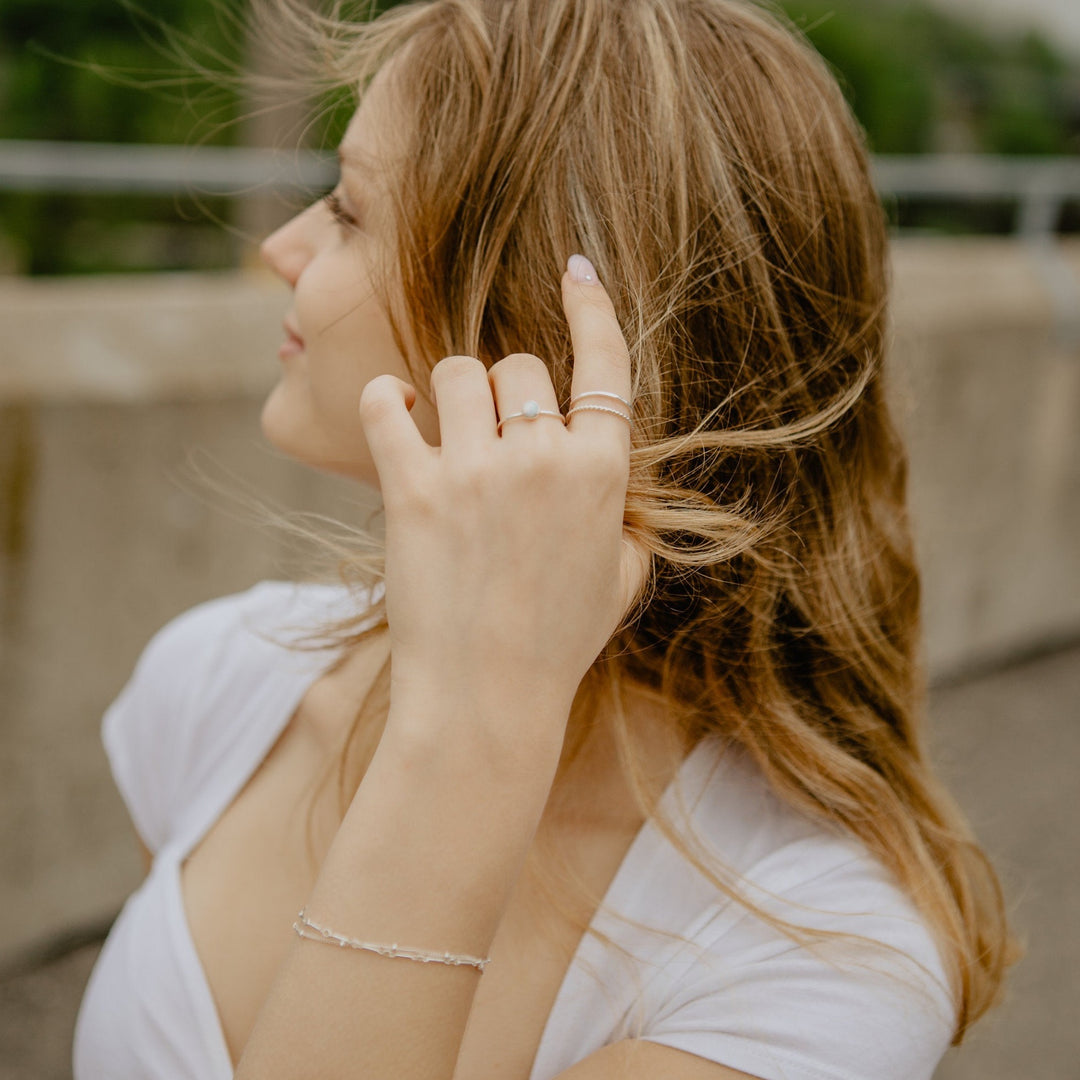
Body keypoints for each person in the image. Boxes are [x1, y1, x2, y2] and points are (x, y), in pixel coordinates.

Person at [73, 1, 1021, 1078]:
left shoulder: (814, 955)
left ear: (539, 329)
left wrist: (468, 739)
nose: (280, 249)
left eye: (347, 209)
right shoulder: (219, 682)